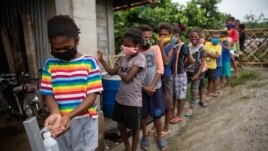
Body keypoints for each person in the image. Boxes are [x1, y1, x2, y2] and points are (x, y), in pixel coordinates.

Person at [40, 15, 103, 151]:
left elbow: (92, 96)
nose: (61, 52)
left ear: (77, 41)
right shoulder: (49, 65)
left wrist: (70, 115)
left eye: (66, 48)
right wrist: (55, 113)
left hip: (84, 120)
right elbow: (48, 94)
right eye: (56, 49)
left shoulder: (89, 63)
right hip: (60, 122)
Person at [98, 29, 146, 151]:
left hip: (133, 101)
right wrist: (102, 59)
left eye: (128, 45)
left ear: (137, 46)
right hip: (120, 99)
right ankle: (127, 146)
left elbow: (128, 78)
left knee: (135, 128)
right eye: (124, 45)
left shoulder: (140, 59)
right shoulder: (124, 58)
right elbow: (110, 72)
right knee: (120, 125)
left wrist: (119, 72)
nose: (125, 47)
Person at [137, 25, 167, 151]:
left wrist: (152, 86)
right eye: (145, 37)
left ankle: (159, 136)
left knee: (157, 114)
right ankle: (144, 136)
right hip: (141, 90)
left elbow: (160, 69)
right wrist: (144, 88)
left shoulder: (155, 49)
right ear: (139, 38)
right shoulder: (136, 52)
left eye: (150, 37)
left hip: (156, 88)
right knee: (143, 115)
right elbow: (134, 75)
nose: (148, 39)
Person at [170, 28, 194, 124]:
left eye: (171, 35)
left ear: (177, 35)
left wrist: (183, 66)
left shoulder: (183, 46)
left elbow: (191, 60)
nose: (169, 37)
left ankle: (179, 115)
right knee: (173, 95)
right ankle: (173, 112)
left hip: (180, 75)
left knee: (180, 95)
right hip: (172, 74)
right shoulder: (172, 46)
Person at [185, 29, 206, 117]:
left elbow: (202, 63)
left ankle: (191, 107)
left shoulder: (201, 48)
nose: (194, 39)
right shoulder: (187, 47)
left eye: (196, 37)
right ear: (189, 38)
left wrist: (197, 74)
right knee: (183, 90)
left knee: (194, 91)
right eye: (192, 37)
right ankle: (180, 105)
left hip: (196, 73)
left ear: (199, 38)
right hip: (186, 72)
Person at [205, 31, 222, 97]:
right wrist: (212, 55)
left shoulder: (219, 46)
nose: (215, 39)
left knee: (213, 79)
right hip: (205, 65)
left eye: (217, 38)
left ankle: (214, 92)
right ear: (211, 37)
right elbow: (203, 53)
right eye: (214, 37)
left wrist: (208, 54)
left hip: (212, 66)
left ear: (219, 39)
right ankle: (208, 92)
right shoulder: (207, 43)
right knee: (204, 80)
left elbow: (217, 57)